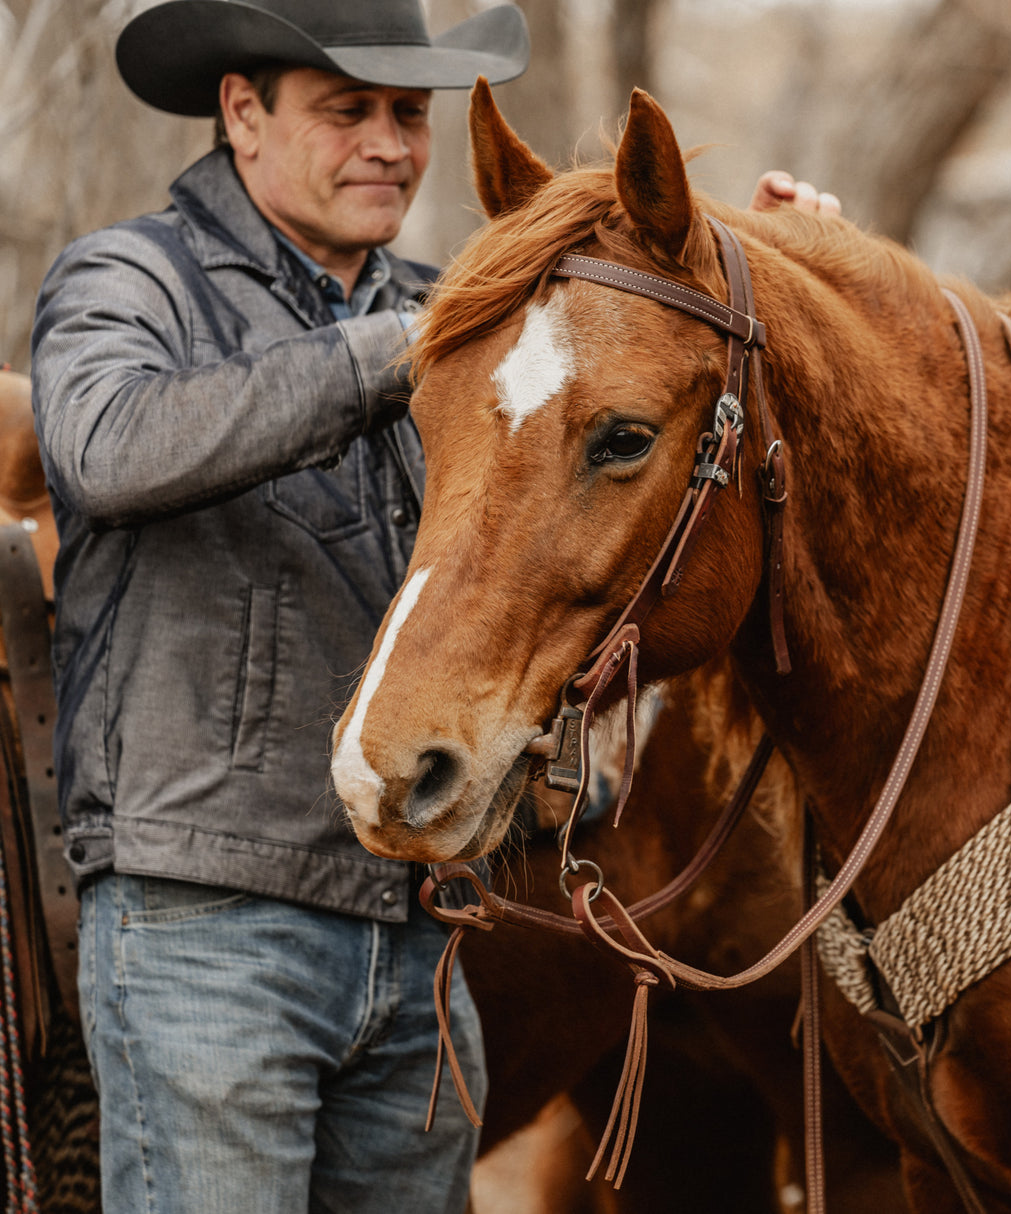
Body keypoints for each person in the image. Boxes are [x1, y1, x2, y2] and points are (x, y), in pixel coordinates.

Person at [29, 0, 838, 1207]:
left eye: (408, 114)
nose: (390, 145)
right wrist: (401, 350)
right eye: (345, 111)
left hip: (419, 932)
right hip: (203, 927)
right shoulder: (131, 277)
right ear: (242, 115)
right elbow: (104, 447)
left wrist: (784, 270)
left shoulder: (469, 311)